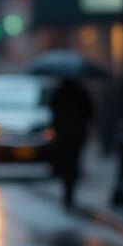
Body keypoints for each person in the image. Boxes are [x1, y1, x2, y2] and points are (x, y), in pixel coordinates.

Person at [48, 75, 94, 208]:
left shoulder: (59, 92)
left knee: (66, 162)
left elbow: (53, 110)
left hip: (63, 134)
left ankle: (67, 190)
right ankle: (70, 190)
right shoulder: (81, 92)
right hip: (76, 134)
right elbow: (89, 111)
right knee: (73, 162)